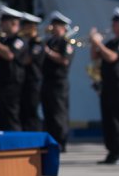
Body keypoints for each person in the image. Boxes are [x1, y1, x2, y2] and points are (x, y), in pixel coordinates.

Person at [90, 8, 119, 165]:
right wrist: (93, 43)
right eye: (114, 23)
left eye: (116, 23)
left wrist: (98, 43)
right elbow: (95, 56)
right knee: (109, 118)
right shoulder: (111, 42)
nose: (113, 26)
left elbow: (112, 57)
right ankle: (112, 150)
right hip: (108, 85)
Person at [0, 7, 26, 131]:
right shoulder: (0, 40)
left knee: (10, 116)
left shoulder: (19, 40)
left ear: (13, 23)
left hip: (11, 84)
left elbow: (9, 55)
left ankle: (15, 146)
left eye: (4, 21)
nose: (1, 24)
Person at [41, 12, 76, 151]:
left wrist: (48, 52)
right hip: (47, 80)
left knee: (58, 113)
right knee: (48, 112)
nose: (53, 28)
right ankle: (50, 140)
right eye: (53, 25)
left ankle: (61, 142)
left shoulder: (65, 43)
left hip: (59, 82)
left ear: (63, 27)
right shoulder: (49, 41)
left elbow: (64, 60)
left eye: (57, 26)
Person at [18, 12, 44, 131]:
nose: (22, 29)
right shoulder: (26, 42)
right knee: (23, 112)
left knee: (32, 112)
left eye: (25, 26)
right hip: (23, 80)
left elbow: (26, 60)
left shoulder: (37, 43)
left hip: (33, 81)